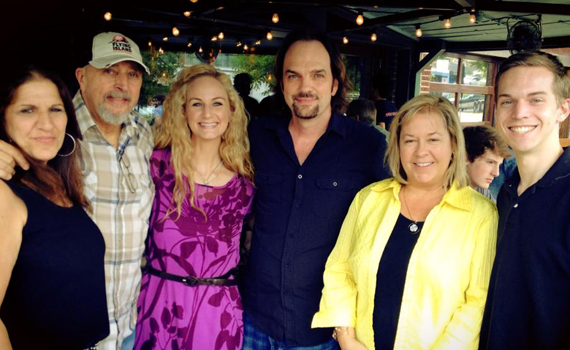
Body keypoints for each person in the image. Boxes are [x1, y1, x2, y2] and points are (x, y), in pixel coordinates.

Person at [0, 31, 154, 349]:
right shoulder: (53, 140)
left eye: (132, 73)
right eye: (109, 70)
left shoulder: (145, 134)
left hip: (127, 327)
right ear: (82, 77)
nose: (122, 84)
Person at [312, 94, 498, 350]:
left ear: (454, 145)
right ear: (397, 146)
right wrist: (346, 337)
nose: (421, 151)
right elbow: (339, 270)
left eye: (433, 139)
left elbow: (478, 302)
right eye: (410, 140)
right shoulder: (369, 199)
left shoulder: (481, 214)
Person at [242, 30, 390, 349]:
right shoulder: (257, 136)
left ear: (335, 84)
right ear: (281, 83)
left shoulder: (367, 146)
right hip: (254, 320)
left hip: (323, 330)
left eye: (317, 75)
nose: (305, 87)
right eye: (293, 75)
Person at [134, 64, 254, 349]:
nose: (207, 114)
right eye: (196, 104)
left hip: (217, 317)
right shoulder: (156, 166)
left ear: (231, 111)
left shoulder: (244, 188)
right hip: (159, 309)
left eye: (217, 103)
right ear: (183, 111)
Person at [0, 66, 109, 348]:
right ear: (3, 118)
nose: (46, 124)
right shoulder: (5, 193)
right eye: (27, 110)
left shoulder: (59, 184)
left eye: (55, 110)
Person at [479, 51, 570, 349]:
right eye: (508, 101)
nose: (519, 113)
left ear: (563, 108)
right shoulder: (506, 191)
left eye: (536, 100)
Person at [463, 125, 510, 202]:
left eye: (499, 165)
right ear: (465, 158)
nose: (496, 173)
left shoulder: (483, 193)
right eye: (490, 162)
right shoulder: (442, 194)